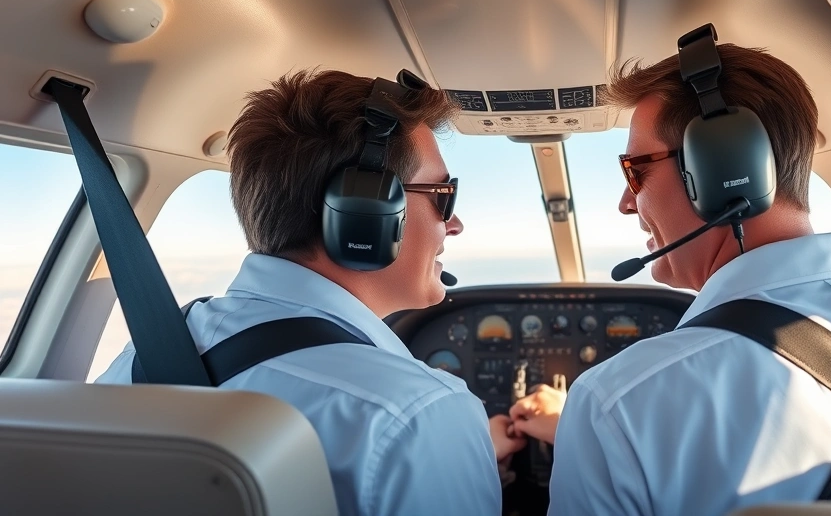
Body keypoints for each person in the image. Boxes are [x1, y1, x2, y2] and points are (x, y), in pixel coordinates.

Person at [511, 33, 831, 514]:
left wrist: (593, 437)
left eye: (635, 171)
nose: (627, 202)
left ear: (721, 171)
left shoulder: (617, 405)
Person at [97, 68, 525, 515]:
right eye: (443, 194)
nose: (454, 223)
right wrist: (450, 451)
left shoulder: (141, 359)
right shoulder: (418, 414)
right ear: (366, 213)